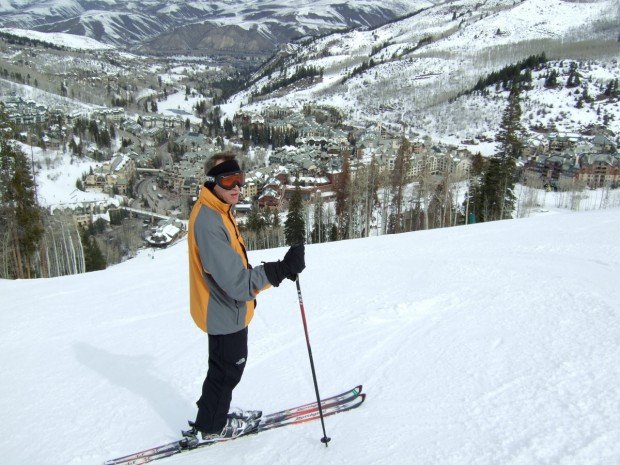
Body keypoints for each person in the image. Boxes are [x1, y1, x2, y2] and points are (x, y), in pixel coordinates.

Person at [188, 152, 305, 440]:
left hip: (226, 308)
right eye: (228, 180)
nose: (236, 187)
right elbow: (239, 284)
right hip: (223, 310)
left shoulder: (217, 209)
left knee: (224, 370)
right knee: (227, 371)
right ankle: (212, 427)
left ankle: (213, 416)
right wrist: (281, 270)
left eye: (239, 179)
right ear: (212, 181)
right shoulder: (209, 221)